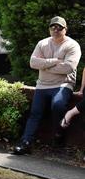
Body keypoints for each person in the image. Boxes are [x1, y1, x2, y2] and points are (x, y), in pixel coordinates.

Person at [13, 17, 81, 154]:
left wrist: (43, 65)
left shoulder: (72, 45)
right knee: (35, 112)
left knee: (58, 105)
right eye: (53, 27)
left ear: (65, 29)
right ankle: (26, 142)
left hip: (63, 84)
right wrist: (55, 61)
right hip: (43, 84)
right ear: (49, 29)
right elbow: (33, 63)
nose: (56, 30)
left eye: (59, 27)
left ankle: (58, 135)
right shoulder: (42, 43)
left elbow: (68, 68)